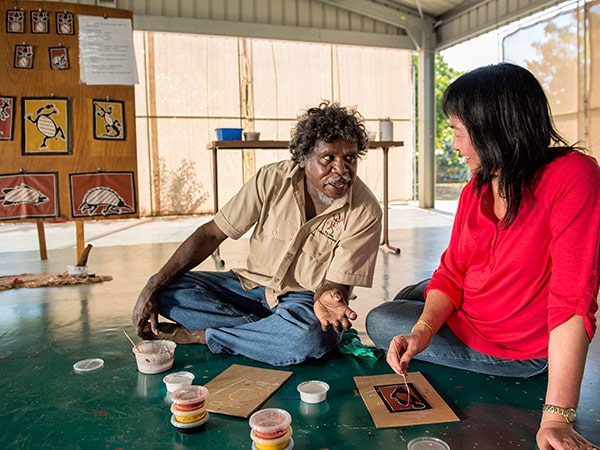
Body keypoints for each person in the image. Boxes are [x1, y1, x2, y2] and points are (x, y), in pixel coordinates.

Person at [366, 63, 599, 449]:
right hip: (479, 303)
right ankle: (427, 320)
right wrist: (423, 331)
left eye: (458, 131)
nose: (455, 145)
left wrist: (557, 417)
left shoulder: (573, 176)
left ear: (495, 128)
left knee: (382, 319)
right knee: (413, 295)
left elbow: (572, 300)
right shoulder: (477, 188)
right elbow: (452, 272)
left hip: (516, 347)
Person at [133, 101, 382, 366]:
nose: (342, 170)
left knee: (311, 337)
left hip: (305, 301)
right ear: (303, 158)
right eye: (328, 158)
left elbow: (336, 284)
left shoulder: (366, 211)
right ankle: (267, 334)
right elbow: (212, 234)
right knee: (166, 287)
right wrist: (152, 286)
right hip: (249, 288)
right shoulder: (271, 180)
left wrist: (328, 296)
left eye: (350, 158)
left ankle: (210, 336)